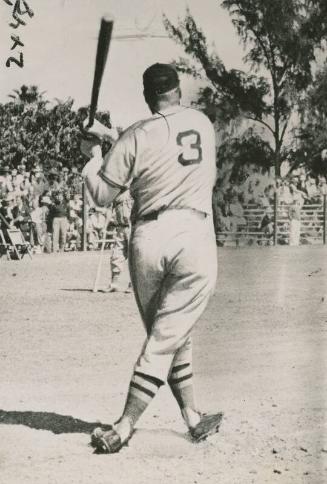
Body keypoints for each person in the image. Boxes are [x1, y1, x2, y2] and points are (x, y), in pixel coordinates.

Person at [81, 63, 221, 454]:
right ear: (178, 90)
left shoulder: (135, 136)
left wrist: (92, 155)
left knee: (169, 330)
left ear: (147, 96)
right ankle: (132, 425)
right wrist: (110, 137)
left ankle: (184, 416)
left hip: (148, 238)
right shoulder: (203, 123)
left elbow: (102, 195)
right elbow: (164, 136)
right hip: (194, 234)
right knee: (170, 331)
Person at [103, 189, 133, 293]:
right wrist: (105, 226)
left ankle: (133, 284)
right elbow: (109, 210)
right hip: (120, 228)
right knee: (116, 255)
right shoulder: (115, 194)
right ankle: (114, 284)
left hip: (133, 227)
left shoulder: (134, 191)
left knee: (133, 257)